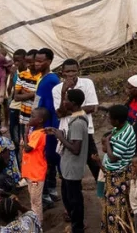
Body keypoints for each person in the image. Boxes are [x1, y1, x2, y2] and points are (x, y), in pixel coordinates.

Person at [53, 59, 100, 180]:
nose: (71, 74)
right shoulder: (57, 89)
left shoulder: (87, 83)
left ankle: (103, 190)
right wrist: (64, 92)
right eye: (67, 71)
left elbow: (93, 107)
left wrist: (66, 112)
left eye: (73, 71)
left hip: (85, 129)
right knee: (69, 163)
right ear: (62, 72)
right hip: (66, 130)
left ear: (78, 71)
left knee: (94, 162)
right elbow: (59, 114)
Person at [50, 88, 88, 233]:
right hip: (68, 165)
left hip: (73, 166)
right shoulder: (76, 117)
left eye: (66, 99)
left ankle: (78, 227)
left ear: (73, 103)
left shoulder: (77, 122)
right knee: (68, 196)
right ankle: (75, 224)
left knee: (74, 199)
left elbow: (75, 148)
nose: (63, 102)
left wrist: (60, 136)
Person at [100, 104, 137, 233]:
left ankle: (115, 230)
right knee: (113, 204)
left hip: (118, 175)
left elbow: (113, 157)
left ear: (117, 120)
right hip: (114, 174)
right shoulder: (121, 127)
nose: (108, 120)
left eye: (110, 118)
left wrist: (108, 142)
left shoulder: (124, 135)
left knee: (115, 206)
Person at [33, 48, 60, 205]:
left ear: (49, 62)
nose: (37, 64)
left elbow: (49, 108)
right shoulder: (43, 78)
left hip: (46, 125)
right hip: (43, 122)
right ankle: (50, 190)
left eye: (40, 61)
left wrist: (39, 126)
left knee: (45, 158)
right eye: (36, 60)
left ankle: (47, 192)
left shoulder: (50, 80)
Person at [12, 50, 40, 159]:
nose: (28, 65)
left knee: (37, 146)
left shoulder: (42, 76)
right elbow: (16, 97)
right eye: (27, 62)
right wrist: (32, 93)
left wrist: (24, 92)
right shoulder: (23, 75)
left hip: (38, 119)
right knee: (25, 144)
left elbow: (39, 97)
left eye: (31, 62)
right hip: (24, 118)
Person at [22, 108, 48, 224]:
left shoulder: (39, 134)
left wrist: (25, 133)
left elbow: (27, 148)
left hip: (36, 173)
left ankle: (38, 224)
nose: (30, 118)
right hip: (31, 171)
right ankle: (35, 222)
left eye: (32, 116)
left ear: (40, 120)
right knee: (33, 199)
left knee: (35, 200)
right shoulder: (35, 132)